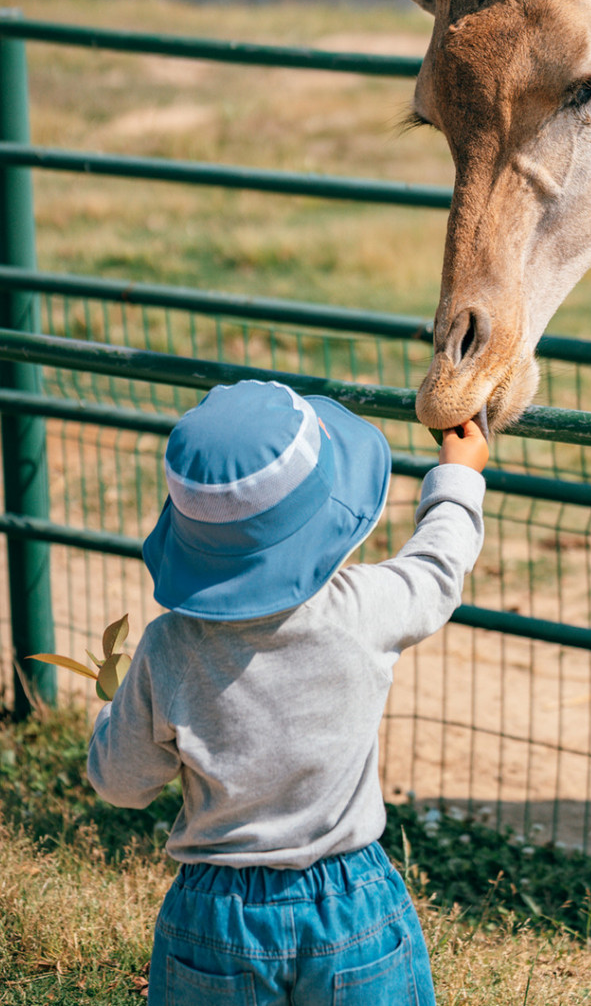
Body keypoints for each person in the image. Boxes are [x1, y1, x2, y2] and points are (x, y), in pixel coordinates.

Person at [87, 378, 488, 1005]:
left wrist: (115, 715)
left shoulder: (168, 648)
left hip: (215, 918)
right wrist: (458, 475)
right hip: (351, 904)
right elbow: (438, 569)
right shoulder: (362, 610)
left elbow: (121, 782)